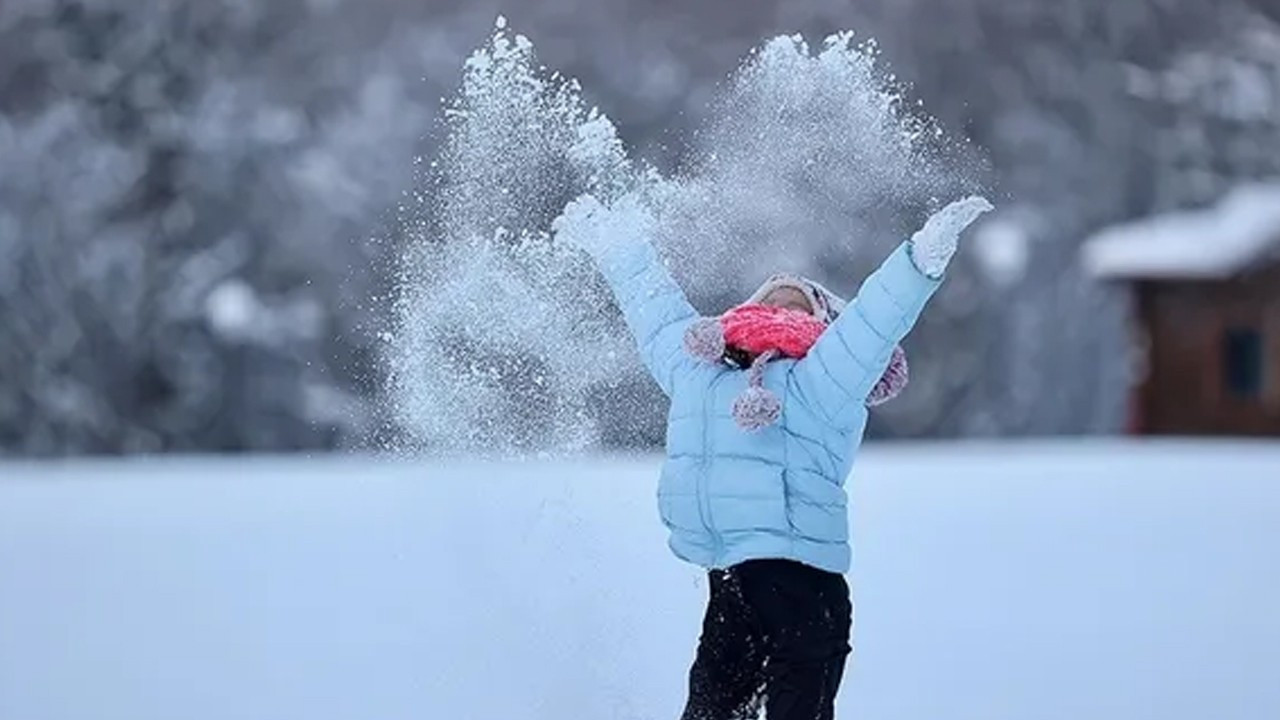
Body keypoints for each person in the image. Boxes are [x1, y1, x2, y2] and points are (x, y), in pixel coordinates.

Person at [552, 192, 992, 720]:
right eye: (772, 300)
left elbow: (873, 322)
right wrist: (616, 243)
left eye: (799, 303)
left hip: (805, 584)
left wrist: (920, 260)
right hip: (731, 580)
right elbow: (655, 309)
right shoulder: (701, 371)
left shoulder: (825, 376)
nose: (782, 309)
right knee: (711, 709)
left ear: (825, 323)